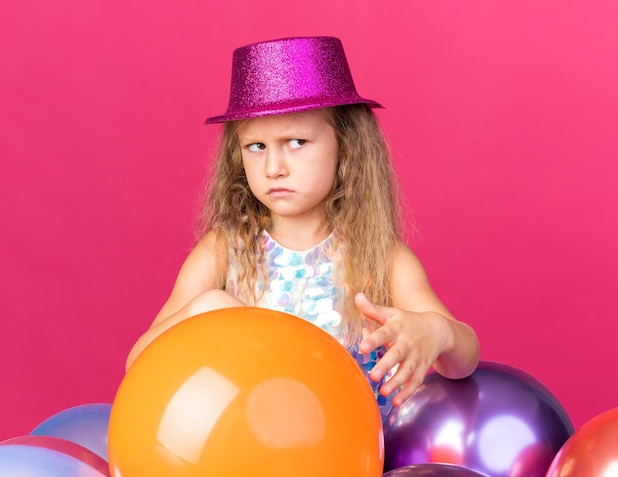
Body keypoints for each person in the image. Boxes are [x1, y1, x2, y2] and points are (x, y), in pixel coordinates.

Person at [126, 36, 480, 417]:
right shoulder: (223, 251)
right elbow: (138, 363)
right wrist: (203, 309)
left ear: (346, 146)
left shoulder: (382, 257)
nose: (273, 167)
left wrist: (435, 332)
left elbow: (464, 360)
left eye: (296, 141)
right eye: (256, 146)